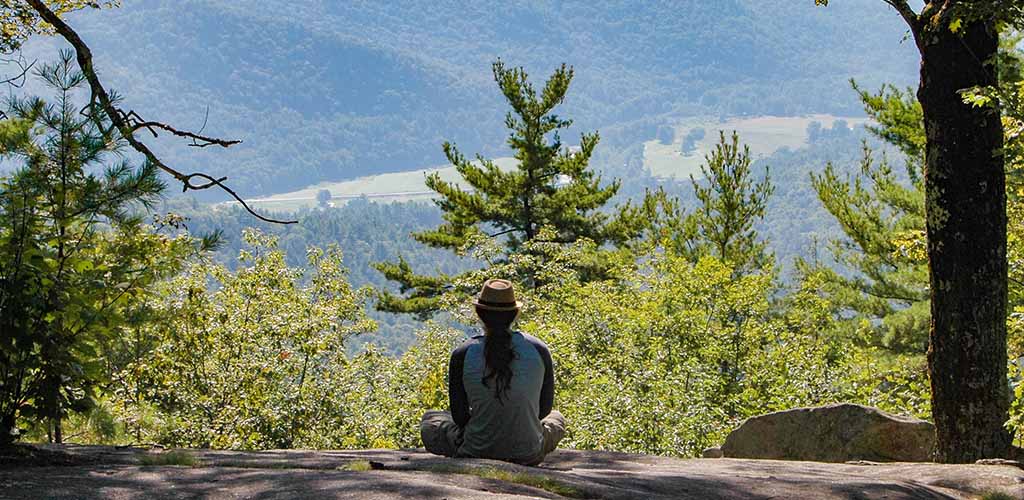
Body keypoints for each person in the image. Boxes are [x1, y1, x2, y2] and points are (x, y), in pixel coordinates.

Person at [420, 279, 565, 465]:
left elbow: (459, 416)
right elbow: (544, 410)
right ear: (515, 314)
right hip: (528, 453)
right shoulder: (538, 349)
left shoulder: (463, 353)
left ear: (479, 313)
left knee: (430, 420)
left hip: (476, 451)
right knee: (557, 418)